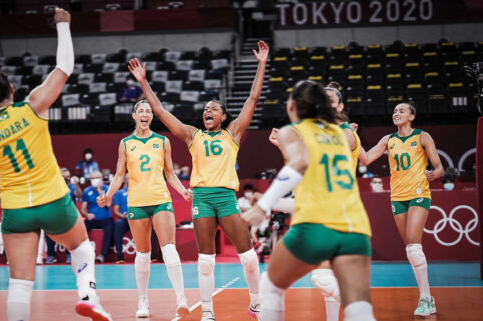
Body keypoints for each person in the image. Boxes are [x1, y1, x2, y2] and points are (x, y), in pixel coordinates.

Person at [0, 8, 112, 321]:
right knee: (82, 247)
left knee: (19, 284)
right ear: (12, 90)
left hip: (17, 211)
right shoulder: (32, 106)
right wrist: (62, 25)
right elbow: (65, 66)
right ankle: (88, 296)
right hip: (53, 201)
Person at [127, 40, 269, 321]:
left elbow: (252, 99)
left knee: (249, 258)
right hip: (202, 198)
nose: (208, 110)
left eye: (214, 108)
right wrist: (144, 83)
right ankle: (207, 311)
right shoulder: (193, 135)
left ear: (223, 116)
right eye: (206, 108)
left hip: (226, 197)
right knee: (205, 262)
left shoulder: (233, 134)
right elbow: (161, 111)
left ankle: (256, 303)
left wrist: (262, 64)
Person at [243, 80, 376, 321]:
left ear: (292, 105)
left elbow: (299, 163)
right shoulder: (342, 133)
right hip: (355, 229)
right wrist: (271, 202)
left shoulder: (293, 131)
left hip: (316, 227)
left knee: (269, 286)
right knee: (359, 309)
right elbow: (317, 189)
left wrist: (263, 206)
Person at [97, 99, 192, 318]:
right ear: (134, 116)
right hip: (136, 202)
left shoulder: (162, 141)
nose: (145, 114)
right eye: (140, 111)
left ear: (151, 117)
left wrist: (183, 191)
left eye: (148, 111)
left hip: (160, 199)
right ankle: (143, 301)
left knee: (169, 248)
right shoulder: (126, 143)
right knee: (143, 253)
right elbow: (119, 175)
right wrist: (108, 195)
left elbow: (169, 173)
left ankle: (181, 298)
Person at [359, 102, 443, 317]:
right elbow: (366, 158)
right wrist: (352, 137)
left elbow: (439, 167)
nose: (396, 113)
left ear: (411, 116)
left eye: (401, 111)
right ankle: (428, 298)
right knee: (411, 249)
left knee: (414, 246)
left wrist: (436, 174)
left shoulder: (423, 137)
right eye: (395, 111)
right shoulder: (388, 140)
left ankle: (425, 298)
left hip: (418, 193)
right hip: (397, 197)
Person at [45, 166, 80, 264]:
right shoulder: (53, 186)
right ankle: (51, 255)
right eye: (62, 173)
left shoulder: (72, 186)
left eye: (66, 173)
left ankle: (69, 254)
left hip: (69, 215)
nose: (64, 175)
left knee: (69, 232)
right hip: (55, 215)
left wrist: (76, 184)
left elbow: (79, 195)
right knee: (49, 229)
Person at [81, 170, 114, 263]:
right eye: (93, 178)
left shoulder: (108, 189)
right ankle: (81, 254)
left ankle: (102, 255)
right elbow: (83, 208)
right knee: (81, 227)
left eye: (97, 178)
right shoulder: (87, 191)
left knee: (110, 228)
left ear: (101, 179)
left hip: (105, 219)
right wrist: (87, 215)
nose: (95, 180)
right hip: (92, 219)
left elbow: (108, 204)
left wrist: (100, 191)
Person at [111, 175, 129, 264]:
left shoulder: (140, 192)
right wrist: (123, 216)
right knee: (118, 223)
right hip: (124, 219)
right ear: (125, 180)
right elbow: (115, 211)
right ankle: (120, 257)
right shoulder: (119, 193)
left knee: (150, 225)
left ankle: (152, 256)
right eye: (129, 178)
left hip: (137, 219)